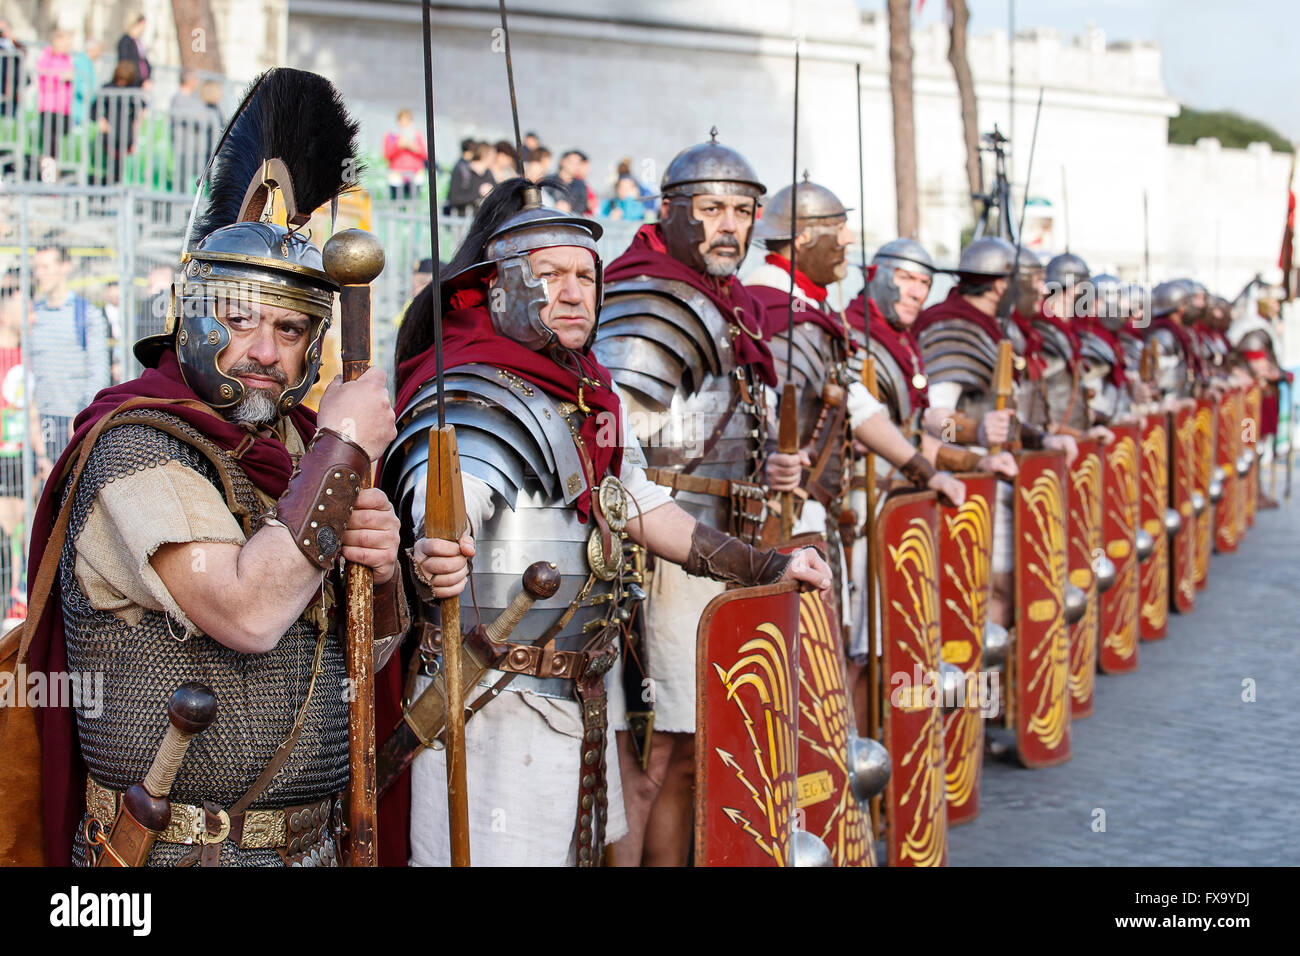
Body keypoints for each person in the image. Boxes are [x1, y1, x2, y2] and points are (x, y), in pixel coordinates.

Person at [16, 67, 408, 868]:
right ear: (192, 318)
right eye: (237, 320)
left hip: (313, 848)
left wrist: (389, 571)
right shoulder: (135, 446)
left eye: (291, 329)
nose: (264, 351)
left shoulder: (303, 447)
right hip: (172, 854)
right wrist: (342, 450)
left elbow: (357, 663)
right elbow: (247, 612)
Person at [382, 177, 832, 867]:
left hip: (584, 689)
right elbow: (434, 513)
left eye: (585, 278)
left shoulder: (590, 390)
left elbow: (640, 501)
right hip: (489, 704)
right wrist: (432, 558)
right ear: (498, 287)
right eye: (549, 276)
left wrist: (761, 564)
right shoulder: (467, 389)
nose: (573, 294)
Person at [590, 131, 785, 866]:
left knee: (691, 742)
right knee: (655, 752)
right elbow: (615, 444)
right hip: (664, 559)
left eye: (743, 209)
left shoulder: (719, 300)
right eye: (711, 208)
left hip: (711, 549)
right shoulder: (654, 297)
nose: (730, 224)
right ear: (671, 212)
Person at [28, 245, 111, 469]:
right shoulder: (34, 316)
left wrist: (82, 414)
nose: (39, 273)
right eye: (37, 267)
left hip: (75, 420)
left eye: (46, 266)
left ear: (65, 267)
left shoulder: (87, 314)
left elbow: (98, 370)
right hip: (41, 423)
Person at [89, 60, 141, 185]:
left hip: (126, 133)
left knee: (122, 167)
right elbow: (93, 110)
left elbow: (137, 114)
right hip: (111, 133)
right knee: (111, 165)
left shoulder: (132, 91)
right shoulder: (108, 88)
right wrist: (101, 121)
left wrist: (135, 137)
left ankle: (119, 187)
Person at [35, 30, 75, 169]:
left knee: (57, 146)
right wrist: (61, 77)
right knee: (48, 145)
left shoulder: (68, 59)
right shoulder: (46, 57)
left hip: (63, 108)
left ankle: (53, 179)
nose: (69, 45)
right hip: (48, 107)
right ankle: (48, 179)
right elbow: (44, 80)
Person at [169, 69, 211, 191]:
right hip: (184, 148)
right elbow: (198, 118)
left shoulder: (196, 99)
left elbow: (205, 117)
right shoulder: (178, 99)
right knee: (181, 182)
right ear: (190, 81)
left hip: (198, 149)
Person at [382, 108, 428, 200]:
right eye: (402, 120)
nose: (404, 123)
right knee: (397, 200)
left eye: (407, 120)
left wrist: (413, 147)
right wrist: (398, 146)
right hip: (397, 173)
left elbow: (425, 154)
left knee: (414, 200)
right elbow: (387, 154)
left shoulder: (417, 135)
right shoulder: (391, 135)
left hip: (415, 173)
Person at [444, 140, 494, 215]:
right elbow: (453, 198)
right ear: (484, 155)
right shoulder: (462, 170)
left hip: (482, 220)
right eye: (492, 156)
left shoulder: (488, 173)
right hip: (462, 221)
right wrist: (479, 194)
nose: (494, 159)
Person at [72, 39, 103, 128]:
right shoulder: (81, 62)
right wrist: (88, 94)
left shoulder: (88, 62)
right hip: (78, 108)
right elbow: (79, 84)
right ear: (92, 49)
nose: (99, 54)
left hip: (86, 106)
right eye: (99, 50)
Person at [116, 13, 150, 88]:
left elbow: (143, 61)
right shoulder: (125, 42)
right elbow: (124, 63)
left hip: (141, 82)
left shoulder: (138, 42)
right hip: (131, 81)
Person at [556, 150, 593, 215]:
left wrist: (569, 208)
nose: (575, 166)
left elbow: (582, 206)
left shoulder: (580, 184)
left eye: (577, 163)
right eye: (572, 162)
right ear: (563, 161)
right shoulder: (549, 181)